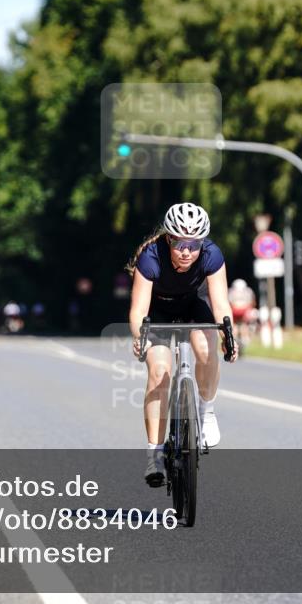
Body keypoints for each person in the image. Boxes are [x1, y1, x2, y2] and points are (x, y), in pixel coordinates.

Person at [126, 203, 237, 487]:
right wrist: (139, 338)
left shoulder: (212, 255)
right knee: (159, 373)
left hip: (193, 305)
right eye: (179, 243)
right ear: (168, 239)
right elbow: (138, 310)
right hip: (158, 312)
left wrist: (229, 337)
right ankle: (154, 454)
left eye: (193, 244)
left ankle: (206, 411)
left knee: (205, 349)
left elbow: (221, 304)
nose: (186, 251)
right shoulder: (151, 257)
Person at [228, 278, 256, 352]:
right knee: (244, 324)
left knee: (235, 325)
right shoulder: (248, 291)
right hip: (243, 310)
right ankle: (244, 339)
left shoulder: (231, 291)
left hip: (235, 310)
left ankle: (234, 339)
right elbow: (252, 302)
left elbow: (228, 303)